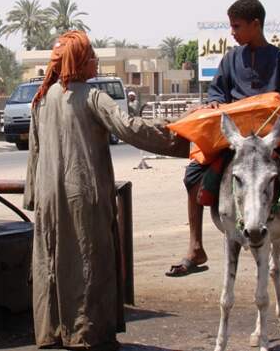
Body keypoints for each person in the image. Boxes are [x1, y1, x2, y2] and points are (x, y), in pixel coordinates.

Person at [24, 31, 189, 350]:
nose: (96, 61)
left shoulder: (41, 99)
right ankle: (86, 335)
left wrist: (33, 197)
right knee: (88, 261)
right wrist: (182, 134)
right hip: (84, 196)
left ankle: (54, 333)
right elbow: (131, 129)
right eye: (92, 57)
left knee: (52, 262)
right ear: (80, 62)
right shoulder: (92, 97)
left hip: (49, 199)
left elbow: (34, 153)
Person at [165, 0, 280, 282]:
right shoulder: (229, 59)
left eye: (236, 26)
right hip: (235, 139)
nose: (232, 32)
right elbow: (217, 92)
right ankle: (196, 247)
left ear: (255, 24)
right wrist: (214, 103)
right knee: (193, 175)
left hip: (271, 142)